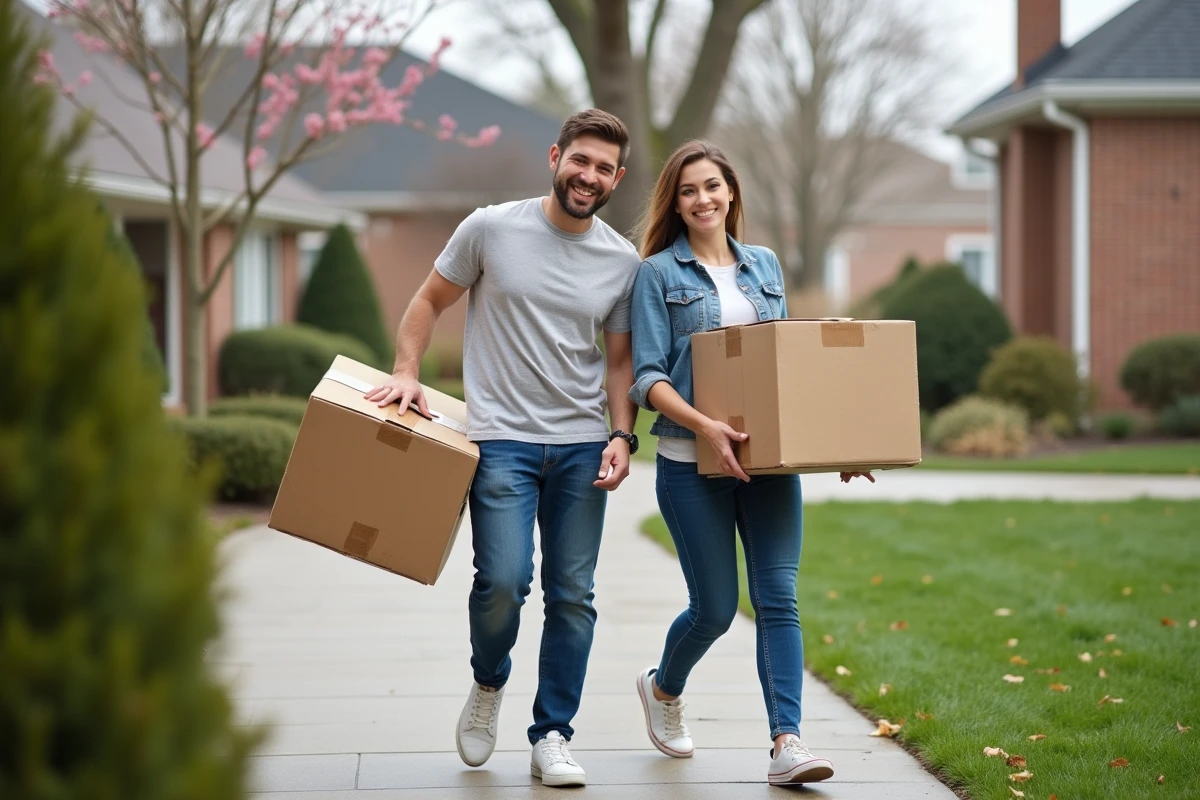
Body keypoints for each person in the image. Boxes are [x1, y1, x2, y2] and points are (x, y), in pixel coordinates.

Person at [365, 109, 642, 788]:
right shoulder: (491, 228)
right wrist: (406, 372)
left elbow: (618, 364)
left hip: (581, 446)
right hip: (501, 443)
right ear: (555, 156)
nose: (589, 176)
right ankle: (488, 684)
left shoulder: (621, 260)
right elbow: (428, 300)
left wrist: (621, 433)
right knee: (504, 583)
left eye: (604, 168)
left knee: (573, 595)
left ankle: (552, 733)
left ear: (618, 179)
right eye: (580, 160)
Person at [627, 140, 873, 786]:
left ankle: (786, 743)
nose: (702, 199)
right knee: (713, 607)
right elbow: (646, 376)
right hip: (689, 462)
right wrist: (705, 424)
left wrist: (839, 445)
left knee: (778, 596)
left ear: (731, 191)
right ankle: (663, 689)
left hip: (766, 467)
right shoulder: (656, 275)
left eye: (712, 186)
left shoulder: (763, 265)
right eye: (688, 191)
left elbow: (784, 367)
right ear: (674, 204)